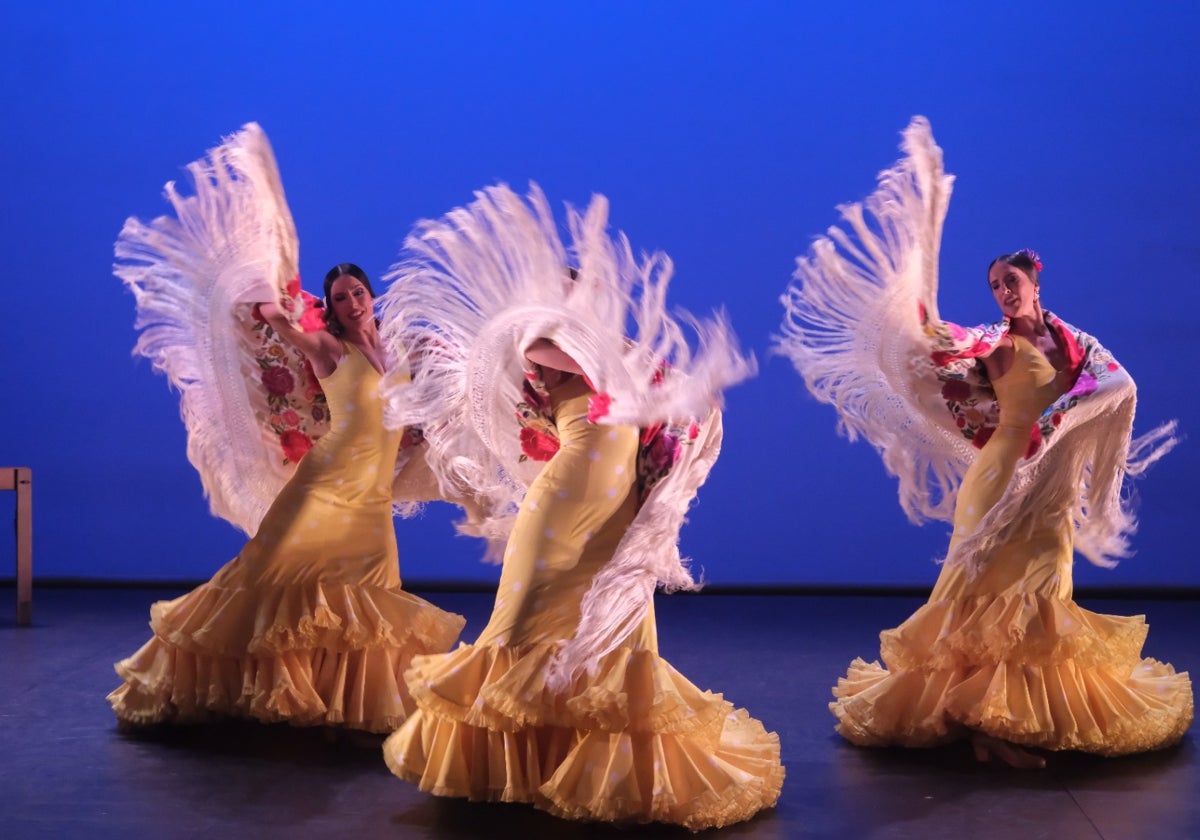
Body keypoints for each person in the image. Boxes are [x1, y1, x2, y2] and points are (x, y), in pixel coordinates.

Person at [777, 117, 1192, 766]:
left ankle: (1006, 717)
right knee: (976, 589)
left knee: (1042, 590)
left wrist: (1056, 430)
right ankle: (984, 725)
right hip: (999, 472)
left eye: (1012, 283)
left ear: (1035, 282)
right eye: (996, 286)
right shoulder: (990, 346)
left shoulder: (1072, 343)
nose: (1003, 293)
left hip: (1044, 480)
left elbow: (1115, 385)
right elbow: (940, 358)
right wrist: (920, 290)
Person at [375, 184, 783, 829]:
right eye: (568, 297)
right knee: (530, 613)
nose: (579, 305)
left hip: (616, 509)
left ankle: (595, 763)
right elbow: (589, 363)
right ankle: (520, 762)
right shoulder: (543, 351)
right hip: (562, 502)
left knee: (616, 618)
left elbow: (667, 400)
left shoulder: (614, 355)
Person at [109, 127, 465, 733]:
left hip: (370, 496)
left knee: (366, 601)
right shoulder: (327, 347)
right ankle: (214, 681)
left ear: (372, 297)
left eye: (358, 292)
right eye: (340, 296)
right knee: (267, 575)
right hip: (324, 484)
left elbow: (421, 406)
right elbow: (275, 320)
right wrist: (262, 274)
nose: (351, 302)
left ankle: (344, 700)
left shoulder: (400, 352)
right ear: (331, 306)